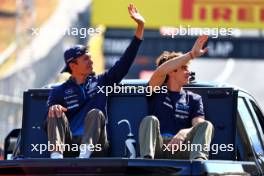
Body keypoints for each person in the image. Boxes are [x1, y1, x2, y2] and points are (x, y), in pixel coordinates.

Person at [46, 4, 145, 159]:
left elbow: (125, 63)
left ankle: (84, 157)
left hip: (97, 147)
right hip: (69, 146)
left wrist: (140, 28)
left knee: (95, 113)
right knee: (54, 112)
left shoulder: (102, 82)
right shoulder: (58, 91)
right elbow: (47, 125)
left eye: (91, 59)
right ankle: (56, 157)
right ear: (72, 65)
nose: (91, 62)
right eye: (86, 59)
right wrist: (53, 109)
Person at [139, 35, 214, 160]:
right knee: (149, 120)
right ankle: (147, 162)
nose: (189, 72)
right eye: (184, 68)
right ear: (171, 71)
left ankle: (198, 163)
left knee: (207, 125)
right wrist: (191, 55)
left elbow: (199, 125)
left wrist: (184, 133)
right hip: (158, 147)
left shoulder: (194, 98)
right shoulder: (156, 90)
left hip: (181, 147)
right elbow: (160, 72)